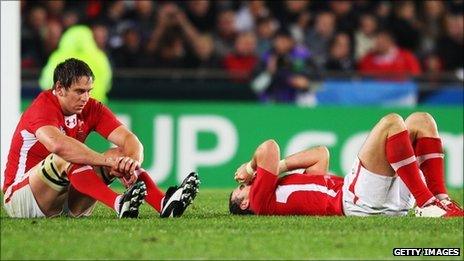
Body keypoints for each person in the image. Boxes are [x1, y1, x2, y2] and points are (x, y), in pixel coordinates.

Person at [3, 58, 199, 219]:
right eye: (79, 91)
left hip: (64, 202)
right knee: (67, 156)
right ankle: (118, 203)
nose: (85, 98)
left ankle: (163, 203)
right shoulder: (43, 107)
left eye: (89, 91)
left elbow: (130, 140)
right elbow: (57, 145)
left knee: (120, 153)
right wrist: (106, 161)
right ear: (60, 88)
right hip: (22, 199)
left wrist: (130, 163)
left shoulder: (91, 108)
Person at [229, 112, 463, 217]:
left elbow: (321, 154)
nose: (244, 184)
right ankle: (426, 203)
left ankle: (441, 201)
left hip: (379, 202)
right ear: (245, 203)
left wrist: (278, 168)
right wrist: (250, 168)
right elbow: (269, 147)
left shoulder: (281, 190)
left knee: (422, 120)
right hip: (355, 202)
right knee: (391, 122)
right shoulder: (260, 202)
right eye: (240, 190)